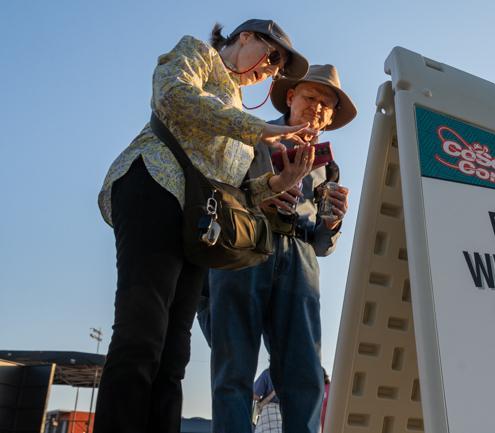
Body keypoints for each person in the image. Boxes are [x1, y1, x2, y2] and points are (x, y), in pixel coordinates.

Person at [94, 19, 316, 433]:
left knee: (174, 352)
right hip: (154, 186)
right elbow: (173, 95)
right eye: (270, 58)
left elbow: (237, 194)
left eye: (275, 70)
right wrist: (257, 129)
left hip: (199, 222)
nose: (267, 72)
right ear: (244, 37)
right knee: (141, 334)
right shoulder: (198, 54)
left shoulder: (236, 115)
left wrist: (278, 184)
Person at [203, 64, 356, 433]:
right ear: (291, 97)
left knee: (305, 375)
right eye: (311, 97)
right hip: (246, 245)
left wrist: (332, 223)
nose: (317, 107)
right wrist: (262, 195)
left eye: (326, 104)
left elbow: (322, 245)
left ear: (332, 116)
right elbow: (215, 189)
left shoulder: (328, 166)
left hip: (300, 258)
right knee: (233, 368)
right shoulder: (251, 135)